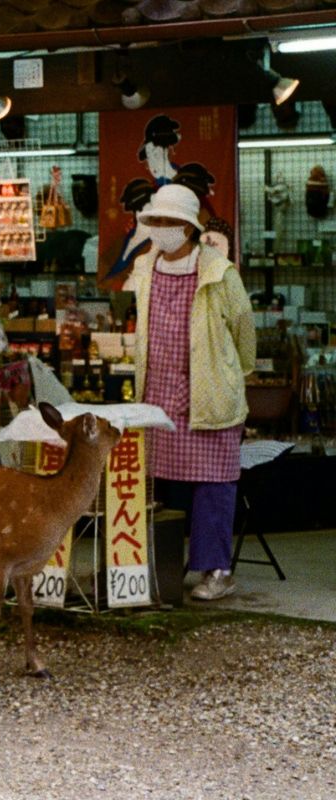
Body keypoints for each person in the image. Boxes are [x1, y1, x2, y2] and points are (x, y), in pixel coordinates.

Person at [126, 184, 255, 601]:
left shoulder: (219, 272)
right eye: (155, 221)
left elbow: (244, 333)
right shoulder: (145, 266)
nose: (160, 229)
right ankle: (150, 567)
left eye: (168, 222)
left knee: (213, 484)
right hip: (158, 392)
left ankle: (216, 570)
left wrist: (229, 376)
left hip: (210, 392)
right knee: (151, 484)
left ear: (188, 227)